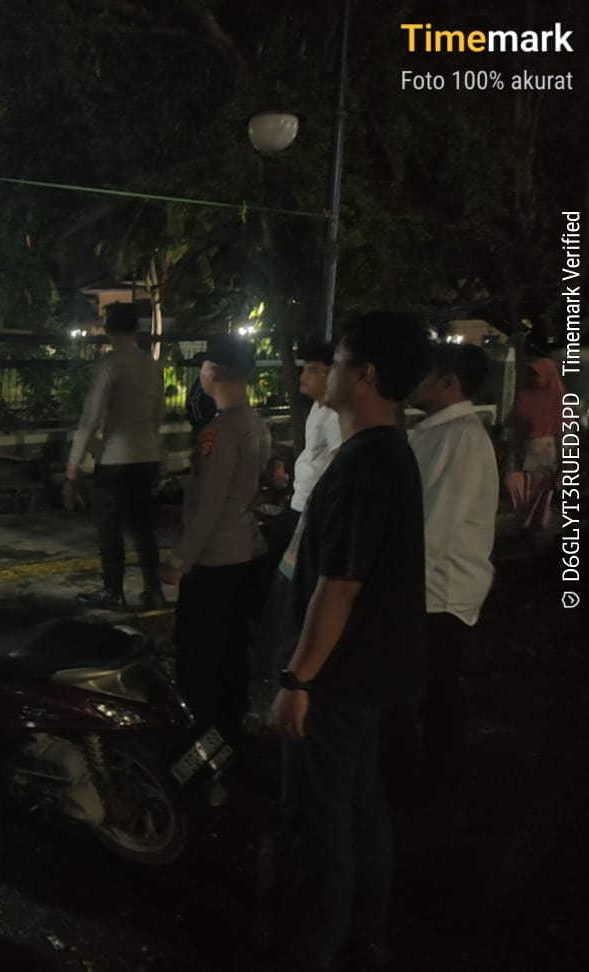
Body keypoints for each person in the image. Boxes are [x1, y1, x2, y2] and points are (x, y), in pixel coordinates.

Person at [266, 311, 433, 968]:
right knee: (360, 803)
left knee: (319, 815)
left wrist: (297, 679)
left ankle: (314, 944)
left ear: (364, 374)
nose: (325, 372)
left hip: (334, 677)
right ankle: (363, 925)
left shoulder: (365, 464)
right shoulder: (390, 454)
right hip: (366, 672)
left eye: (335, 362)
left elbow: (339, 586)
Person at [159, 335, 271, 751]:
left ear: (215, 372)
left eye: (204, 366)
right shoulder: (255, 423)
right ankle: (230, 737)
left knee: (199, 658)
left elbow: (210, 503)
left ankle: (201, 746)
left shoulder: (220, 430)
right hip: (244, 552)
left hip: (214, 559)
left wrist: (180, 559)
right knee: (231, 652)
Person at [407, 342, 498, 776]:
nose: (414, 380)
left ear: (449, 382)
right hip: (432, 584)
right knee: (433, 686)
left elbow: (433, 529)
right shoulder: (440, 432)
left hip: (439, 589)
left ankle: (441, 779)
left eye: (424, 372)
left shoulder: (459, 437)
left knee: (436, 687)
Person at [67, 302, 166, 610]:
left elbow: (91, 418)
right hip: (147, 455)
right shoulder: (152, 366)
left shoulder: (109, 366)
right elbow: (158, 414)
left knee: (109, 527)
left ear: (108, 331)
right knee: (144, 528)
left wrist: (74, 462)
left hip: (115, 458)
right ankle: (154, 590)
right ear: (136, 329)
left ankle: (113, 591)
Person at [266, 341, 342, 567]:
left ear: (330, 374)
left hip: (311, 509)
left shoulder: (335, 416)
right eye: (304, 369)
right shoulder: (318, 408)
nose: (304, 376)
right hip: (301, 502)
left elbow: (341, 462)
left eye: (312, 371)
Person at [504, 356, 564, 534]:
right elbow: (514, 424)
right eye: (530, 374)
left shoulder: (558, 399)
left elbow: (563, 433)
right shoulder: (524, 396)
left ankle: (535, 525)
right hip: (521, 452)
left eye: (536, 374)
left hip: (545, 455)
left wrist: (564, 461)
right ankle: (524, 522)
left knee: (540, 492)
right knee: (519, 489)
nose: (532, 378)